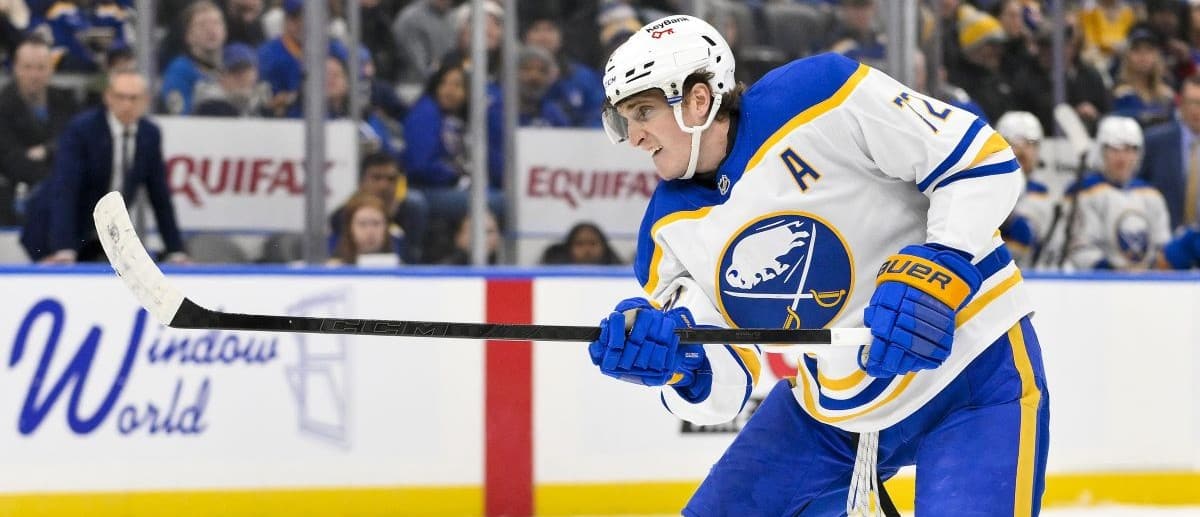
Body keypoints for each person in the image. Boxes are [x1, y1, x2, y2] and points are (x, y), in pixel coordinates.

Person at [589, 15, 1047, 515]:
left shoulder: (818, 95)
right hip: (831, 414)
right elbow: (727, 384)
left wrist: (940, 264)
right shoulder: (665, 230)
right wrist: (679, 364)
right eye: (623, 120)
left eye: (644, 112)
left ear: (698, 100)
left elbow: (982, 161)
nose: (633, 137)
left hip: (973, 375)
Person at [20, 70, 188, 264]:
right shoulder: (82, 130)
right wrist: (64, 248)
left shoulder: (149, 135)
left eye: (134, 98)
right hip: (52, 230)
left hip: (101, 236)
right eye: (121, 97)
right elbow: (65, 190)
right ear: (108, 97)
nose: (127, 104)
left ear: (145, 101)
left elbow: (160, 197)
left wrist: (176, 251)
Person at [1067, 116, 1172, 271]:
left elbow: (1162, 245)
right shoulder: (1086, 193)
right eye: (1114, 149)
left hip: (1147, 284)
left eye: (1129, 149)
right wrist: (1111, 274)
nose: (1122, 157)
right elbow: (1081, 248)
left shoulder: (1152, 196)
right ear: (1102, 151)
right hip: (1099, 285)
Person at [0, 36, 79, 226]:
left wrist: (46, 150)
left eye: (41, 67)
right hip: (13, 200)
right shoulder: (3, 105)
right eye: (28, 67)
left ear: (51, 68)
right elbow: (11, 160)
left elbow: (76, 146)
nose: (34, 75)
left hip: (63, 196)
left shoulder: (66, 101)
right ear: (16, 68)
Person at [330, 152, 429, 264]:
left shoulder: (411, 212)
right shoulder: (343, 215)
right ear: (361, 181)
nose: (384, 186)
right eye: (376, 178)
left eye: (391, 179)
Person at [995, 111, 1056, 269]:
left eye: (1030, 143)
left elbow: (1048, 249)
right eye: (1013, 143)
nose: (1022, 151)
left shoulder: (1044, 195)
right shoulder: (979, 187)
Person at [1140, 73, 1200, 231]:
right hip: (1163, 241)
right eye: (1191, 102)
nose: (1196, 109)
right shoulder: (1155, 141)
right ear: (1180, 103)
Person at [160, 1, 226, 115]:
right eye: (202, 24)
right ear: (188, 36)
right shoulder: (179, 70)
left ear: (225, 30)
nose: (210, 30)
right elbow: (178, 115)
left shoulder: (233, 65)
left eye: (216, 23)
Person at [328, 192, 403, 266]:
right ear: (349, 228)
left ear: (386, 227)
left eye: (376, 223)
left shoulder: (401, 269)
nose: (370, 231)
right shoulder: (334, 270)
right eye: (362, 224)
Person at [540, 221, 623, 265]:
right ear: (569, 248)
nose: (587, 250)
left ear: (604, 247)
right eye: (580, 244)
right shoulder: (552, 278)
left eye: (593, 243)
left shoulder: (621, 277)